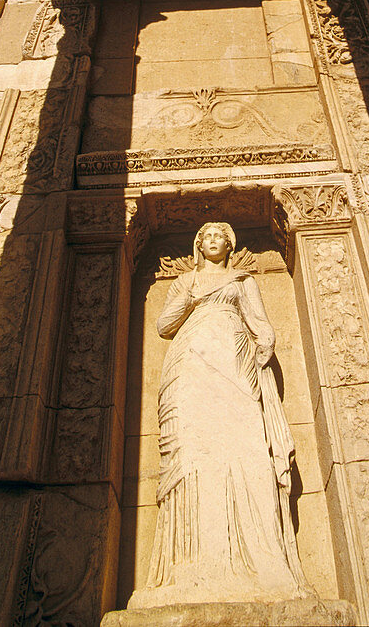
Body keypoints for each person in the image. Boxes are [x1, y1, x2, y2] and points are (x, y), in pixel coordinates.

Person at [129, 221, 311, 609]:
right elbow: (163, 325)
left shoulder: (242, 280)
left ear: (229, 245)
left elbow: (263, 327)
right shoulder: (186, 282)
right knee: (193, 452)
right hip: (190, 361)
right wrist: (191, 297)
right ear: (199, 245)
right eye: (206, 237)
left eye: (219, 237)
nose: (213, 241)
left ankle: (262, 560)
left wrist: (261, 351)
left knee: (247, 448)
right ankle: (189, 565)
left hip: (233, 360)